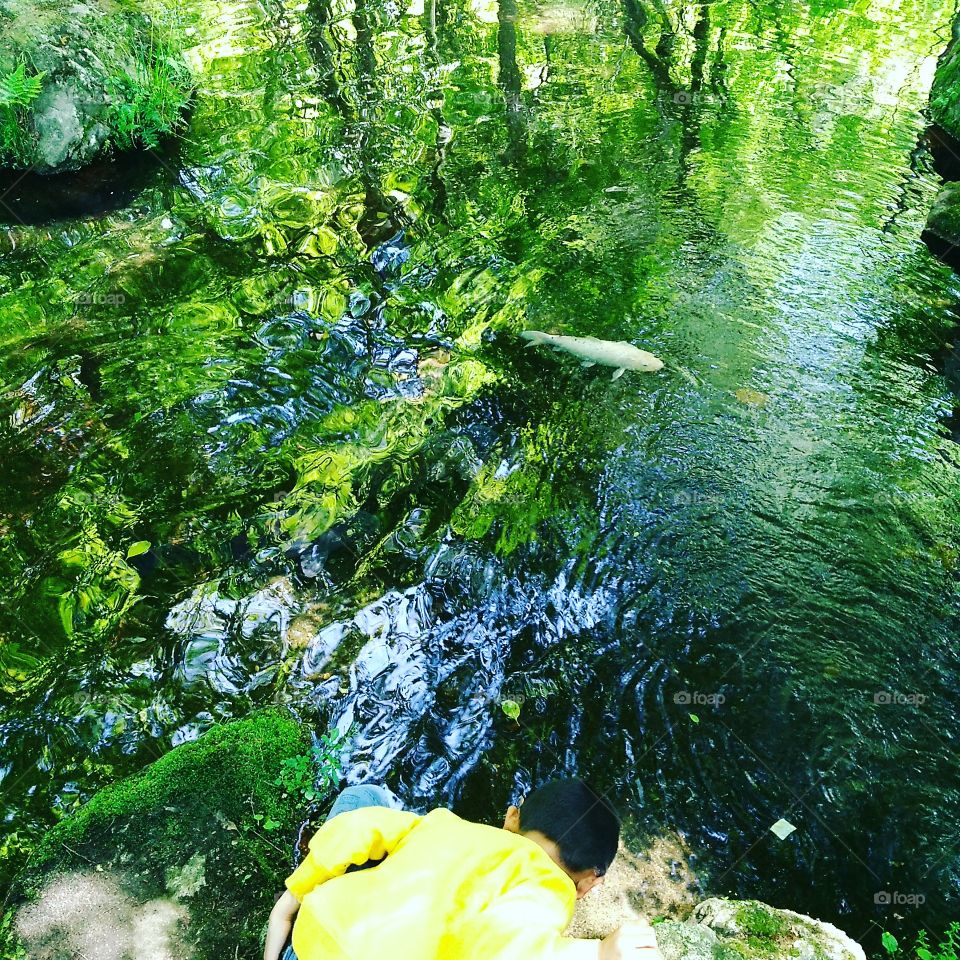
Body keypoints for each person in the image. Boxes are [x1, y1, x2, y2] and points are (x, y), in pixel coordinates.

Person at [263, 778, 663, 960]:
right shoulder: (548, 894)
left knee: (365, 797)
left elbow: (358, 827)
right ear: (591, 883)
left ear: (511, 818)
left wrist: (294, 895)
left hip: (313, 940)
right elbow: (508, 949)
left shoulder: (444, 822)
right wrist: (599, 952)